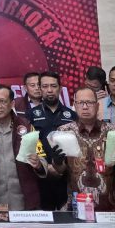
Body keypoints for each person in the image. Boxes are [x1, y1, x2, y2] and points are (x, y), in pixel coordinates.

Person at [43, 86, 115, 212]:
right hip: (76, 205)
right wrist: (57, 162)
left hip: (110, 207)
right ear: (75, 106)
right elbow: (60, 171)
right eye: (80, 103)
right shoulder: (64, 132)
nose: (85, 107)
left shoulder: (112, 132)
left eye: (89, 102)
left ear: (97, 106)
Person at [28, 72, 78, 210]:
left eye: (53, 86)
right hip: (41, 176)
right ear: (40, 88)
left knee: (68, 217)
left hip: (66, 176)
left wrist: (60, 167)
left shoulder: (72, 115)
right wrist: (46, 166)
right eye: (45, 86)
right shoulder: (30, 115)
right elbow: (29, 145)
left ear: (60, 88)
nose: (49, 90)